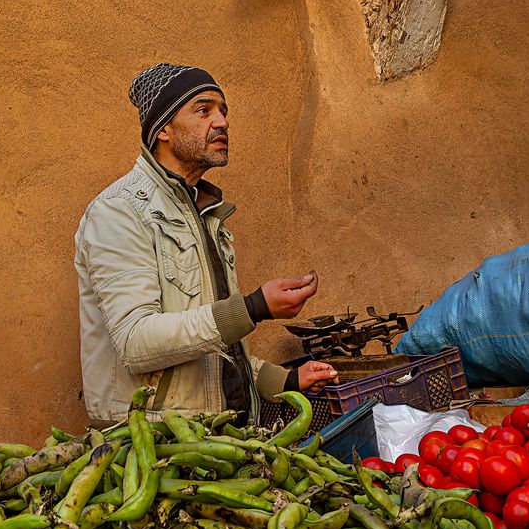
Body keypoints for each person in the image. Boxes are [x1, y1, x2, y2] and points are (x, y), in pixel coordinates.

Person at [75, 63, 337, 424]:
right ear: (163, 129)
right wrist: (253, 308)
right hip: (156, 448)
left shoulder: (206, 215)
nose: (222, 122)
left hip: (219, 440)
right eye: (204, 110)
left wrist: (283, 379)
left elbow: (207, 340)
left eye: (223, 111)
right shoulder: (119, 212)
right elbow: (136, 342)